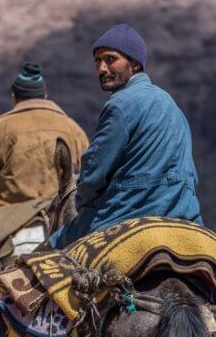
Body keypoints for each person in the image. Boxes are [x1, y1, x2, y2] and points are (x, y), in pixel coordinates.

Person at [49, 23, 203, 249]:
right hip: (186, 216)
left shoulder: (121, 104)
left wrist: (83, 201)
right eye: (97, 62)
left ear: (135, 64)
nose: (101, 68)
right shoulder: (173, 107)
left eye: (110, 59)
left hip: (130, 214)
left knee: (44, 256)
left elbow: (94, 175)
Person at [0, 62, 89, 211]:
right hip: (63, 212)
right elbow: (87, 175)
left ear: (14, 97)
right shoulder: (74, 129)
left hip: (12, 216)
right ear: (45, 96)